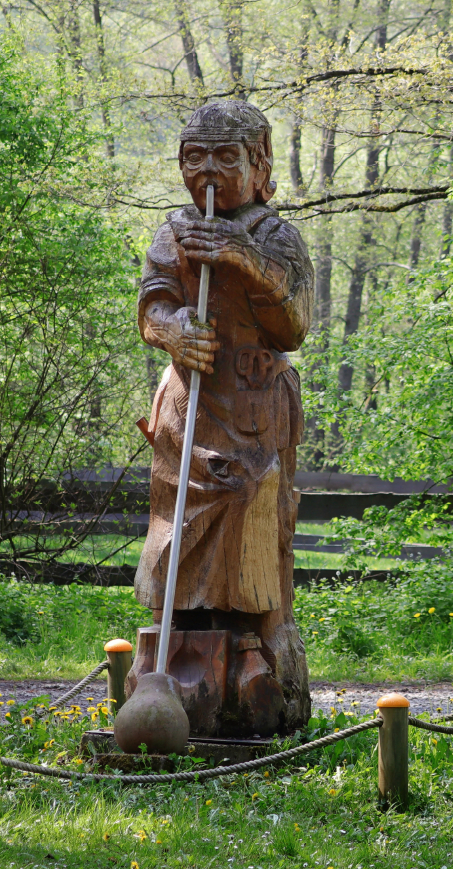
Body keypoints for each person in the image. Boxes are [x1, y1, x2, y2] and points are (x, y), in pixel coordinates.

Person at [132, 100, 313, 737]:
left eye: (225, 157)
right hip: (192, 404)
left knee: (254, 504)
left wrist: (241, 256)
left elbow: (294, 322)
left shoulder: (276, 236)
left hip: (256, 405)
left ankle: (257, 646)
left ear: (259, 165)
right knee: (178, 517)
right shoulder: (175, 231)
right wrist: (173, 330)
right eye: (193, 157)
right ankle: (172, 648)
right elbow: (153, 305)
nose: (206, 172)